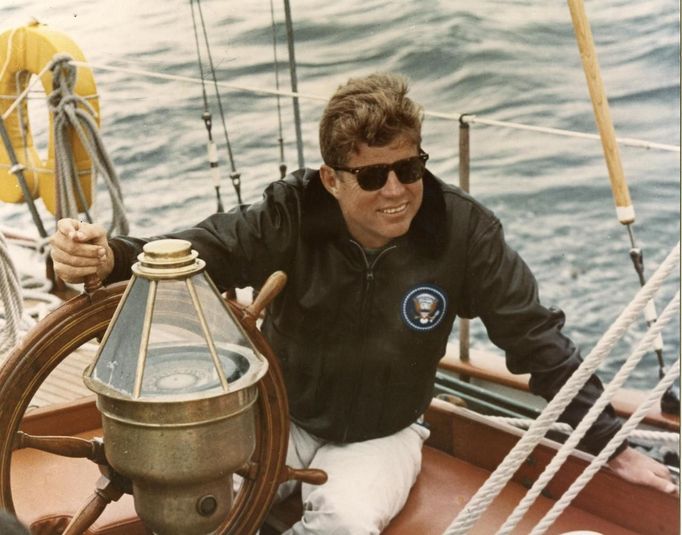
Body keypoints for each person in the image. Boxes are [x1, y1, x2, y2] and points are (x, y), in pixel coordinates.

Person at [50, 73, 676, 533]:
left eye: (411, 168)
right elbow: (201, 251)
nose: (399, 191)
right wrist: (110, 258)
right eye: (374, 176)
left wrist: (610, 445)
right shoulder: (291, 212)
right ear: (332, 178)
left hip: (384, 433)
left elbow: (536, 338)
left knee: (344, 524)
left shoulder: (464, 232)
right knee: (196, 501)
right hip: (281, 419)